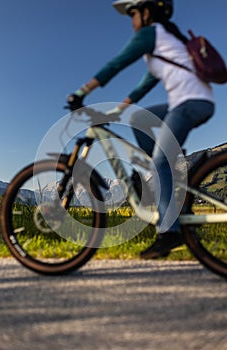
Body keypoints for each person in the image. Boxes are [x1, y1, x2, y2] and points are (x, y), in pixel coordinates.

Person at [67, 0, 215, 259]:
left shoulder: (151, 33)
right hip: (188, 102)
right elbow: (145, 84)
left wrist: (82, 92)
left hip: (191, 103)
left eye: (133, 14)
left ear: (146, 13)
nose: (132, 21)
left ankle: (169, 232)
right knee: (138, 118)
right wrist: (118, 110)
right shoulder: (165, 43)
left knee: (159, 161)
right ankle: (169, 171)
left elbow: (117, 64)